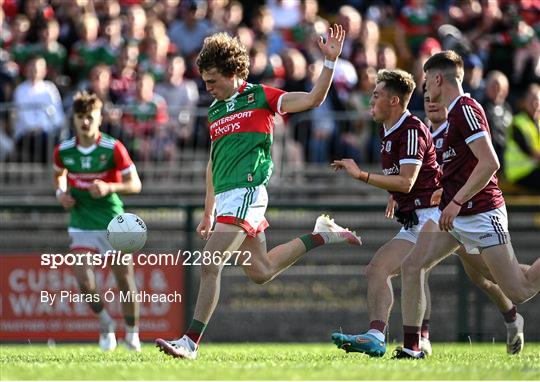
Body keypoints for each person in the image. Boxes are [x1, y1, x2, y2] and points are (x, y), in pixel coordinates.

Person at [155, 25, 362, 360]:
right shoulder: (215, 110)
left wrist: (329, 63)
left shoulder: (262, 96)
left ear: (234, 73)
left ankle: (190, 342)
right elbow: (212, 163)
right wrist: (209, 209)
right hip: (226, 197)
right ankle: (321, 235)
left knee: (209, 263)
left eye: (212, 81)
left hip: (248, 191)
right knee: (260, 271)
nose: (207, 88)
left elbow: (312, 99)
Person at [397, 50, 540, 359]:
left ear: (437, 79)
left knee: (520, 288)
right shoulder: (453, 113)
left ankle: (513, 314)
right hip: (455, 215)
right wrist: (444, 196)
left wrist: (456, 201)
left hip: (481, 213)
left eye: (426, 82)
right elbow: (459, 165)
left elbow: (490, 163)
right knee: (413, 265)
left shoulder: (465, 109)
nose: (426, 90)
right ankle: (413, 347)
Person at [330, 69, 440, 357]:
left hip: (434, 216)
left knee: (499, 279)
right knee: (382, 269)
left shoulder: (412, 129)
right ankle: (379, 336)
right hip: (415, 218)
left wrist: (361, 175)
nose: (371, 100)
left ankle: (511, 314)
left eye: (376, 95)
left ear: (393, 101)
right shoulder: (386, 129)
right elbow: (403, 181)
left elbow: (407, 180)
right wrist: (394, 194)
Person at [425, 87, 525, 355]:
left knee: (490, 277)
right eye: (425, 100)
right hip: (443, 213)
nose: (431, 104)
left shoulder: (459, 122)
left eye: (432, 98)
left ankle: (512, 316)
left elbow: (484, 165)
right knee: (416, 265)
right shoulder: (422, 135)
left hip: (468, 211)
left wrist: (452, 197)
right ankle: (420, 338)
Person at [53, 91, 142, 351]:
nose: (85, 122)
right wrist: (61, 193)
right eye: (81, 117)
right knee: (83, 279)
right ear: (75, 119)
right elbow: (59, 175)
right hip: (81, 221)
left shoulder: (113, 148)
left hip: (113, 220)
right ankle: (106, 323)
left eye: (90, 117)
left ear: (99, 118)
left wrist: (109, 188)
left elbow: (135, 184)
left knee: (125, 280)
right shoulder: (64, 151)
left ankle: (132, 333)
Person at [504, 84, 540, 192]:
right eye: (531, 101)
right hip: (519, 173)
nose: (535, 104)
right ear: (524, 103)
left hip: (533, 169)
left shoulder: (538, 122)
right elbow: (529, 151)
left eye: (537, 101)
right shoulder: (517, 123)